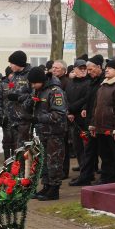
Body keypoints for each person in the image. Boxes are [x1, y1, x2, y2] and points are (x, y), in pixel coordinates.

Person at [23, 67, 68, 201]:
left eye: (34, 83)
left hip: (54, 133)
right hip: (42, 132)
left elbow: (59, 114)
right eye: (31, 83)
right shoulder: (38, 90)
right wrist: (31, 102)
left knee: (54, 161)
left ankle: (54, 189)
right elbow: (26, 106)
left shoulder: (55, 92)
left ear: (41, 81)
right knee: (44, 161)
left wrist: (39, 118)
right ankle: (46, 186)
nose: (32, 86)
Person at [89, 59, 115, 184]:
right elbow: (96, 107)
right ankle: (107, 178)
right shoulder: (103, 85)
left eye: (110, 68)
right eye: (106, 68)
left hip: (113, 128)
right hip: (101, 127)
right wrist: (93, 125)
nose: (106, 70)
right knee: (105, 156)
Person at [71, 55, 105, 186]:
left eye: (91, 69)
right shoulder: (93, 81)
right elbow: (89, 98)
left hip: (99, 122)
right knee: (89, 151)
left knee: (103, 152)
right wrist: (85, 107)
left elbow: (100, 103)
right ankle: (85, 176)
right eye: (88, 70)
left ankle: (107, 177)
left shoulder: (103, 82)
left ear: (99, 67)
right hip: (90, 120)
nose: (88, 72)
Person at [65, 59, 91, 177]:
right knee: (77, 146)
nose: (83, 70)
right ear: (74, 69)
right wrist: (68, 111)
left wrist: (72, 108)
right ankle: (82, 169)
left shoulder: (89, 82)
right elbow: (65, 97)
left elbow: (86, 99)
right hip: (72, 118)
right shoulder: (70, 83)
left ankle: (88, 172)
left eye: (84, 68)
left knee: (86, 147)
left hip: (83, 118)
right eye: (80, 68)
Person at [4, 50, 33, 150]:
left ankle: (23, 161)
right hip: (13, 118)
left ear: (18, 63)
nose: (10, 66)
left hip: (24, 118)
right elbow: (10, 92)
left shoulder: (30, 75)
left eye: (12, 63)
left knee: (23, 148)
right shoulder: (14, 76)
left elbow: (35, 95)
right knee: (15, 147)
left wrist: (19, 97)